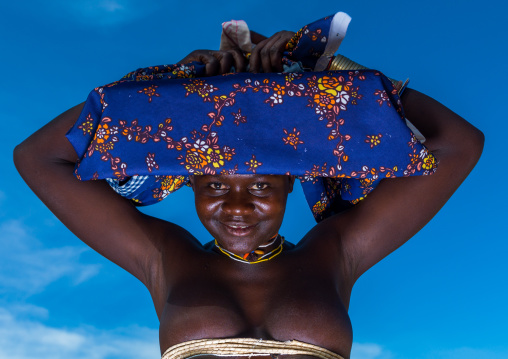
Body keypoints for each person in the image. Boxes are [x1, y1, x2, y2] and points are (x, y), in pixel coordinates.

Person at [13, 27, 484, 359]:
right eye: (215, 184)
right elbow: (38, 157)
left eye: (261, 184)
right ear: (189, 181)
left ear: (292, 180)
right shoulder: (162, 258)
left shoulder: (336, 254)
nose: (237, 206)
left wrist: (328, 76)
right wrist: (169, 84)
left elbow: (459, 145)